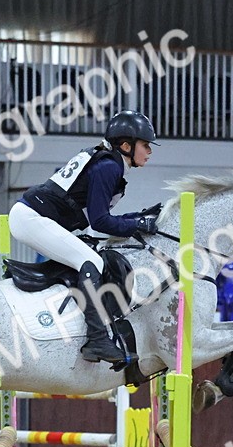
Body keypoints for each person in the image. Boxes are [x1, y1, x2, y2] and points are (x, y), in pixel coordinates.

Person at [8, 110, 160, 364]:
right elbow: (100, 222)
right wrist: (136, 224)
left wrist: (139, 218)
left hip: (34, 217)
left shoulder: (108, 163)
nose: (150, 151)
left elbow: (98, 216)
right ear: (126, 146)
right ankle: (97, 339)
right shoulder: (108, 167)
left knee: (88, 257)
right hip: (31, 219)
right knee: (92, 262)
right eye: (145, 145)